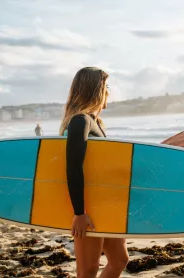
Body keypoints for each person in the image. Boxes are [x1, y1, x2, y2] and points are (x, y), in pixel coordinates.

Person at [59, 67, 129, 278]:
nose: (109, 92)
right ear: (96, 90)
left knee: (119, 260)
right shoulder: (80, 121)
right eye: (106, 87)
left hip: (105, 204)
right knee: (88, 271)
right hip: (88, 207)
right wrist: (79, 213)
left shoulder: (95, 122)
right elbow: (73, 166)